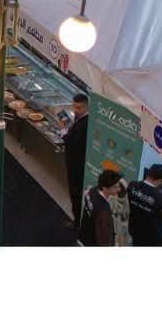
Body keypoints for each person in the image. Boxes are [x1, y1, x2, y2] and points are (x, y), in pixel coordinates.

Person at [128, 164, 162, 247]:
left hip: (135, 233)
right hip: (154, 240)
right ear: (160, 180)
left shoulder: (132, 185)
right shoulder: (160, 197)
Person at [63, 93, 90, 228]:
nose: (74, 110)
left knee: (76, 193)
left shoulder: (84, 124)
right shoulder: (79, 119)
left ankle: (77, 223)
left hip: (76, 165)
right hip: (76, 163)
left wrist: (64, 132)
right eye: (73, 106)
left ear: (86, 107)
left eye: (78, 108)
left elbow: (75, 145)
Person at [80, 169, 125, 247]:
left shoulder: (92, 190)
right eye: (115, 187)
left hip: (84, 236)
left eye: (119, 186)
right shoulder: (104, 211)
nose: (119, 189)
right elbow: (104, 241)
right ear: (105, 188)